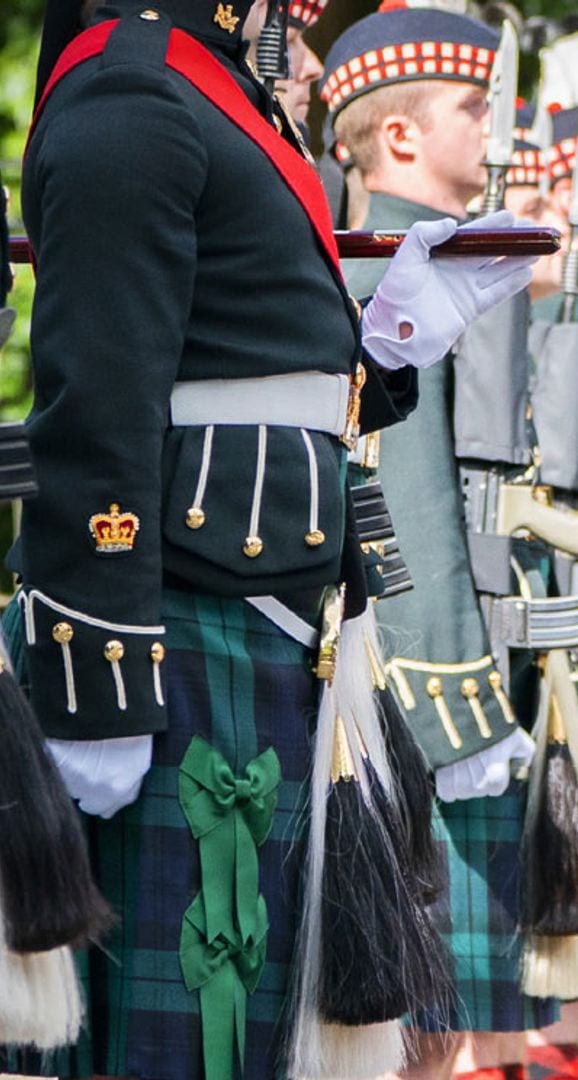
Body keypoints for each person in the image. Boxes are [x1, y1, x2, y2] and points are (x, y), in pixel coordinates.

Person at [6, 0, 534, 1077]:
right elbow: (98, 397)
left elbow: (254, 370)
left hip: (269, 620)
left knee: (246, 1026)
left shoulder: (209, 85)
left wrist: (390, 341)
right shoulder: (131, 85)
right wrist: (96, 676)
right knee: (194, 1026)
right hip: (172, 633)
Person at [322, 7, 552, 1080]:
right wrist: (457, 704)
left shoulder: (442, 258)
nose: (493, 126)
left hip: (452, 672)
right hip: (425, 692)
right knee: (422, 1038)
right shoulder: (385, 270)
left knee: (453, 1030)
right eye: (473, 106)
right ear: (402, 138)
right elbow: (403, 496)